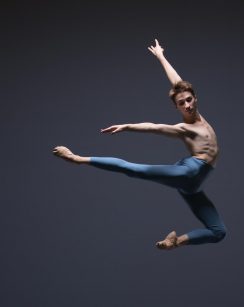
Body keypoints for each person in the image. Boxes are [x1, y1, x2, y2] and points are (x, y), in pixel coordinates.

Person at [53, 39, 227, 250]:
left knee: (218, 232)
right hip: (190, 173)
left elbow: (177, 82)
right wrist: (127, 126)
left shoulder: (197, 113)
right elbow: (154, 127)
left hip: (194, 184)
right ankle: (78, 159)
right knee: (134, 170)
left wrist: (161, 56)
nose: (187, 105)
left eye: (189, 100)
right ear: (176, 108)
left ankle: (175, 242)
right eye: (182, 103)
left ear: (195, 98)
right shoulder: (185, 129)